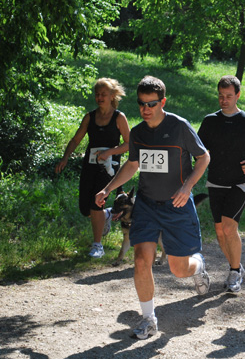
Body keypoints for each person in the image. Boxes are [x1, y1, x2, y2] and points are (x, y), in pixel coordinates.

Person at [95, 76, 211, 340]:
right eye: (142, 104)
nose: (146, 109)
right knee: (140, 260)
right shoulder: (137, 133)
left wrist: (187, 187)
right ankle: (149, 320)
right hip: (146, 205)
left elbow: (203, 157)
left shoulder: (179, 126)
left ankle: (198, 265)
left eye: (152, 104)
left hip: (177, 205)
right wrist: (108, 189)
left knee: (178, 270)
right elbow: (133, 165)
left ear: (163, 102)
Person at [197, 75, 245, 293]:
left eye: (228, 96)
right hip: (216, 180)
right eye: (221, 95)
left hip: (240, 182)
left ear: (238, 95)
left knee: (229, 227)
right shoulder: (210, 121)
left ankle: (235, 273)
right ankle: (236, 267)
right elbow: (199, 148)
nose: (224, 100)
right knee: (219, 232)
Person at [55, 78, 130, 258]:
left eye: (103, 94)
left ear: (112, 96)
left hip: (109, 168)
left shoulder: (119, 117)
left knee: (95, 204)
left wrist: (110, 152)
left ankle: (97, 245)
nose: (99, 97)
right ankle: (105, 215)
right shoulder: (90, 117)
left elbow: (129, 144)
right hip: (90, 165)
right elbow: (75, 140)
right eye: (97, 94)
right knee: (85, 209)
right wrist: (65, 158)